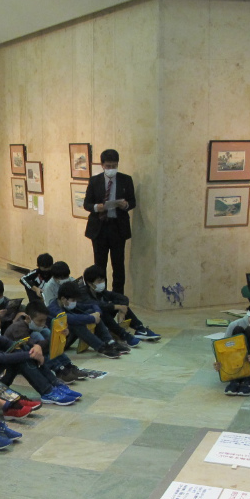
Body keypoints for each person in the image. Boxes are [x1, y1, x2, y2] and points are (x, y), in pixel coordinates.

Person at [0, 307, 80, 406]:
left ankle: (54, 384)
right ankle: (48, 391)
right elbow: (1, 358)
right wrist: (31, 354)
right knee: (23, 357)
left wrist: (36, 348)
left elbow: (15, 345)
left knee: (23, 351)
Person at [83, 148, 137, 292]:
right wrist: (97, 207)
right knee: (100, 264)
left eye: (114, 166)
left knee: (118, 264)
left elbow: (132, 201)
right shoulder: (95, 181)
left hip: (118, 227)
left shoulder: (126, 180)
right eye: (108, 166)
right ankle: (101, 294)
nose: (111, 169)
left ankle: (118, 295)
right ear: (102, 165)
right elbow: (87, 204)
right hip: (99, 228)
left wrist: (126, 205)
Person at [3, 300, 85, 384]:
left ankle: (67, 365)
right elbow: (34, 347)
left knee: (46, 331)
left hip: (33, 353)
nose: (42, 323)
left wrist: (63, 335)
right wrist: (53, 340)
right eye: (40, 321)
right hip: (18, 360)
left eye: (44, 320)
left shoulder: (37, 325)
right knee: (37, 335)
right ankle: (58, 369)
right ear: (28, 318)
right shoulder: (18, 328)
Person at [82, 264, 160, 342]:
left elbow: (123, 298)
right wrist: (118, 307)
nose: (102, 283)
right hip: (89, 321)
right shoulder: (83, 293)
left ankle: (140, 329)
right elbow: (96, 305)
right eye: (99, 281)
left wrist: (122, 310)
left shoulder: (101, 292)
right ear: (89, 283)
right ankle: (123, 334)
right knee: (103, 311)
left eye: (103, 280)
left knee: (122, 306)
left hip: (103, 320)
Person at [49, 281, 125, 358]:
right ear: (63, 299)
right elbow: (70, 318)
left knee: (91, 312)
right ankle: (101, 347)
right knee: (75, 323)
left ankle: (110, 341)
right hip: (58, 343)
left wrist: (97, 313)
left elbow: (93, 305)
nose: (75, 302)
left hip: (67, 336)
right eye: (73, 300)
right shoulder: (53, 309)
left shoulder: (66, 304)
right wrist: (92, 318)